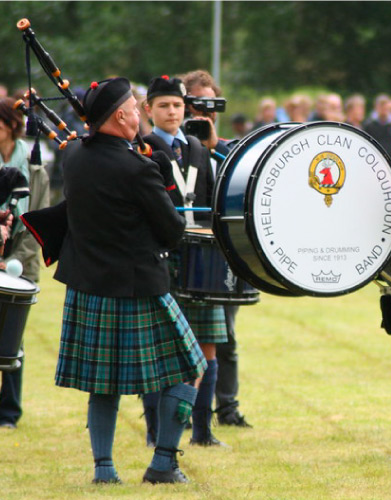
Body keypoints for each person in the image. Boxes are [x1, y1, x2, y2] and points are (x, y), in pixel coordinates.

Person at [51, 77, 206, 484]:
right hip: (139, 285)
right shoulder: (138, 168)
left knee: (104, 382)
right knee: (189, 367)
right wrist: (160, 174)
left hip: (88, 284)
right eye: (136, 108)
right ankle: (163, 464)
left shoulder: (75, 157)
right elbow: (173, 230)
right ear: (120, 115)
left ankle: (104, 470)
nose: (140, 114)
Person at [142, 75, 229, 446]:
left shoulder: (197, 147)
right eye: (163, 105)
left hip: (202, 257)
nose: (172, 112)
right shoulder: (141, 148)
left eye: (177, 105)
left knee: (207, 347)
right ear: (149, 110)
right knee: (161, 349)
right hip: (162, 256)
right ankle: (155, 432)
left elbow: (212, 197)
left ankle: (203, 432)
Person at [181, 68, 252, 428]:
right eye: (197, 105)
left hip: (219, 252)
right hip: (182, 250)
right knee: (186, 339)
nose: (204, 115)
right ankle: (189, 410)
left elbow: (244, 180)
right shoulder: (173, 147)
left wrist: (212, 146)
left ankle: (227, 408)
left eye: (211, 107)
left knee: (225, 334)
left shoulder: (227, 148)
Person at [0, 97, 50, 429]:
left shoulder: (33, 167)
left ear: (9, 126)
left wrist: (14, 260)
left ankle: (9, 411)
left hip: (21, 256)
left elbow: (39, 220)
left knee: (11, 338)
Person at [364, 93, 391, 159]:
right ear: (376, 107)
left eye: (385, 107)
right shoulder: (369, 126)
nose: (383, 109)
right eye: (381, 106)